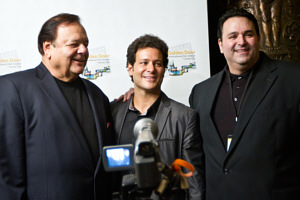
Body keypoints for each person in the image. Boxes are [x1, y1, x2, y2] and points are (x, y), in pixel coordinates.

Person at [0, 13, 115, 200]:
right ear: (48, 47)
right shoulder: (13, 89)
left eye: (86, 44)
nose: (84, 50)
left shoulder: (97, 94)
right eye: (74, 44)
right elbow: (7, 177)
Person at [189, 8, 300, 200]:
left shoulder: (293, 79)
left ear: (257, 38)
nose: (241, 41)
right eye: (233, 36)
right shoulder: (200, 92)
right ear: (221, 45)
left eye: (248, 34)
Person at [111, 34, 204, 200]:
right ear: (131, 68)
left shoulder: (184, 117)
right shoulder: (112, 112)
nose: (151, 69)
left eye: (158, 63)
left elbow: (193, 179)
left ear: (164, 69)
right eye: (144, 62)